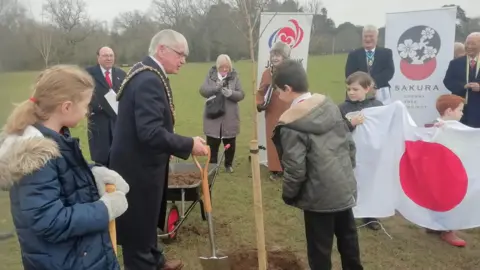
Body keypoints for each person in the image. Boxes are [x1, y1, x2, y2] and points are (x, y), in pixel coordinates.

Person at [0, 65, 129, 270]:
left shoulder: (55, 136)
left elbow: (60, 172)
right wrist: (104, 209)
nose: (87, 111)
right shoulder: (35, 155)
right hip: (66, 262)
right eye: (86, 105)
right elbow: (49, 221)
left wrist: (92, 172)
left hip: (80, 255)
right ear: (66, 107)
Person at [109, 29, 209, 270]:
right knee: (138, 225)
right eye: (180, 54)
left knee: (147, 219)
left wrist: (184, 141)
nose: (183, 60)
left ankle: (155, 259)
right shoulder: (148, 80)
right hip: (138, 167)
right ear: (161, 49)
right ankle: (144, 264)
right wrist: (189, 145)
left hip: (141, 163)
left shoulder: (147, 72)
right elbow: (150, 132)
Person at [271, 60, 363, 270]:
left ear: (287, 88)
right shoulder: (329, 106)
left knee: (319, 250)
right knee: (349, 241)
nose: (277, 94)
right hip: (342, 187)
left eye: (278, 90)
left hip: (318, 196)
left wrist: (289, 194)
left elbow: (295, 168)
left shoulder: (292, 124)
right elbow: (349, 146)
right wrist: (345, 174)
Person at [338, 71, 383, 230]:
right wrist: (351, 123)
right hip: (351, 153)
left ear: (367, 88)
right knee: (351, 181)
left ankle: (370, 215)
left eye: (355, 89)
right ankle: (348, 212)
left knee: (369, 183)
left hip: (371, 153)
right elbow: (336, 130)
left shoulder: (377, 106)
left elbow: (387, 124)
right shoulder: (342, 108)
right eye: (349, 89)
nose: (351, 92)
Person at [421, 94, 467, 247]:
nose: (462, 113)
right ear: (449, 111)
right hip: (439, 171)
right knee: (440, 197)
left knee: (448, 197)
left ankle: (443, 226)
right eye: (460, 110)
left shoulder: (458, 128)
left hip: (452, 170)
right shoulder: (434, 127)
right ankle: (444, 228)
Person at [200, 54, 244, 173]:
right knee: (212, 142)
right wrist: (215, 89)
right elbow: (203, 91)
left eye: (227, 67)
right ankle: (212, 165)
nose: (225, 70)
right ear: (217, 66)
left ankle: (228, 164)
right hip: (213, 115)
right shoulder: (210, 76)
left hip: (230, 116)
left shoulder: (234, 77)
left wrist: (231, 93)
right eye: (222, 67)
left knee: (230, 142)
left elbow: (241, 94)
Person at [256, 41, 291, 180]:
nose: (275, 58)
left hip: (288, 110)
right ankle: (276, 169)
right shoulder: (267, 73)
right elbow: (260, 91)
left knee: (288, 139)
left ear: (285, 57)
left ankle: (289, 168)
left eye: (278, 55)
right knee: (272, 139)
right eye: (273, 55)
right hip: (272, 111)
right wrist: (259, 103)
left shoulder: (291, 72)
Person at [86, 46, 126, 166]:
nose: (108, 58)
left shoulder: (121, 74)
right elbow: (81, 94)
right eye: (105, 56)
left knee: (120, 160)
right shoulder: (88, 74)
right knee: (102, 161)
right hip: (99, 124)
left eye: (111, 56)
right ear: (98, 58)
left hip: (117, 124)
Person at [345, 25, 394, 104]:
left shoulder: (386, 53)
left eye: (371, 36)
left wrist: (373, 84)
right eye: (365, 36)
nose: (368, 39)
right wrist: (364, 86)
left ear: (377, 37)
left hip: (380, 90)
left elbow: (389, 71)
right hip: (358, 92)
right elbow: (349, 74)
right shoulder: (353, 54)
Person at [443, 32, 480, 127]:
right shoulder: (455, 63)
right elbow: (447, 81)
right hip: (460, 110)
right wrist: (463, 86)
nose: (469, 46)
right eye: (467, 43)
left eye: (473, 44)